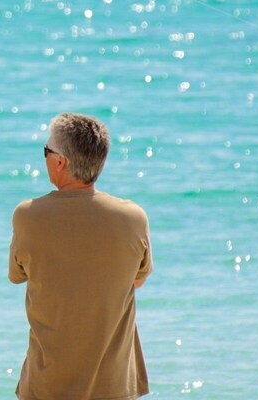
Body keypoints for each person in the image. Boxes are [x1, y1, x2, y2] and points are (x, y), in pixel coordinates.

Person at [8, 112, 153, 400]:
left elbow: (17, 275)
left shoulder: (28, 216)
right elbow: (137, 280)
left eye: (46, 151)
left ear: (60, 162)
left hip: (47, 386)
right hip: (114, 387)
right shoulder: (133, 218)